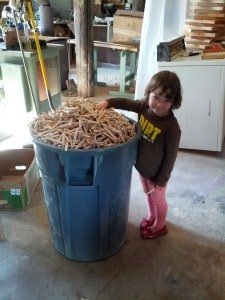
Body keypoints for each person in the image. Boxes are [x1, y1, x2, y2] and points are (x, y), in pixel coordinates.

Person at [96, 70, 182, 239]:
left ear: (174, 102)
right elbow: (126, 103)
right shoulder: (144, 106)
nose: (159, 104)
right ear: (149, 92)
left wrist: (161, 180)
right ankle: (151, 216)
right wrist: (108, 102)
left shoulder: (172, 128)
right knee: (147, 194)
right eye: (156, 97)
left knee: (158, 198)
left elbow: (170, 158)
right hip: (142, 167)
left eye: (167, 100)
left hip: (158, 174)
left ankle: (160, 225)